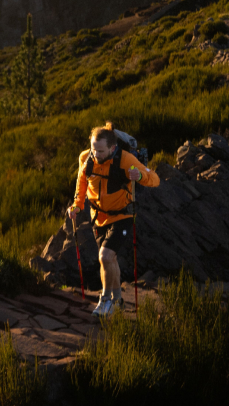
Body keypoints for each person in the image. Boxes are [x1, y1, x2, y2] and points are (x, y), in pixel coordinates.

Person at [66, 121, 158, 315]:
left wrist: (139, 176)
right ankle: (117, 301)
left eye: (100, 151)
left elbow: (154, 179)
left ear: (112, 148)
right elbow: (81, 187)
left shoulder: (125, 160)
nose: (95, 155)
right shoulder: (86, 158)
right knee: (109, 260)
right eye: (93, 149)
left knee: (105, 256)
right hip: (98, 217)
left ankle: (105, 299)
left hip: (122, 215)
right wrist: (76, 206)